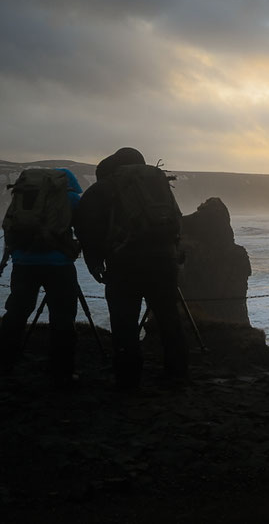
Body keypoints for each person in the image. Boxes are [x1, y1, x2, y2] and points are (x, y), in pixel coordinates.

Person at [74, 147, 188, 391]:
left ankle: (128, 378)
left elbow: (86, 225)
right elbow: (176, 218)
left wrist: (94, 261)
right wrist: (176, 250)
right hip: (164, 260)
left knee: (124, 320)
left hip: (124, 263)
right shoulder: (156, 182)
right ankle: (178, 372)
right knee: (169, 316)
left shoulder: (105, 186)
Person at [0, 168, 83, 389]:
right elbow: (83, 229)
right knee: (62, 317)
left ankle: (4, 362)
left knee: (16, 312)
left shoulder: (25, 195)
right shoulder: (70, 198)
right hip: (59, 266)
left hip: (23, 264)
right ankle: (62, 371)